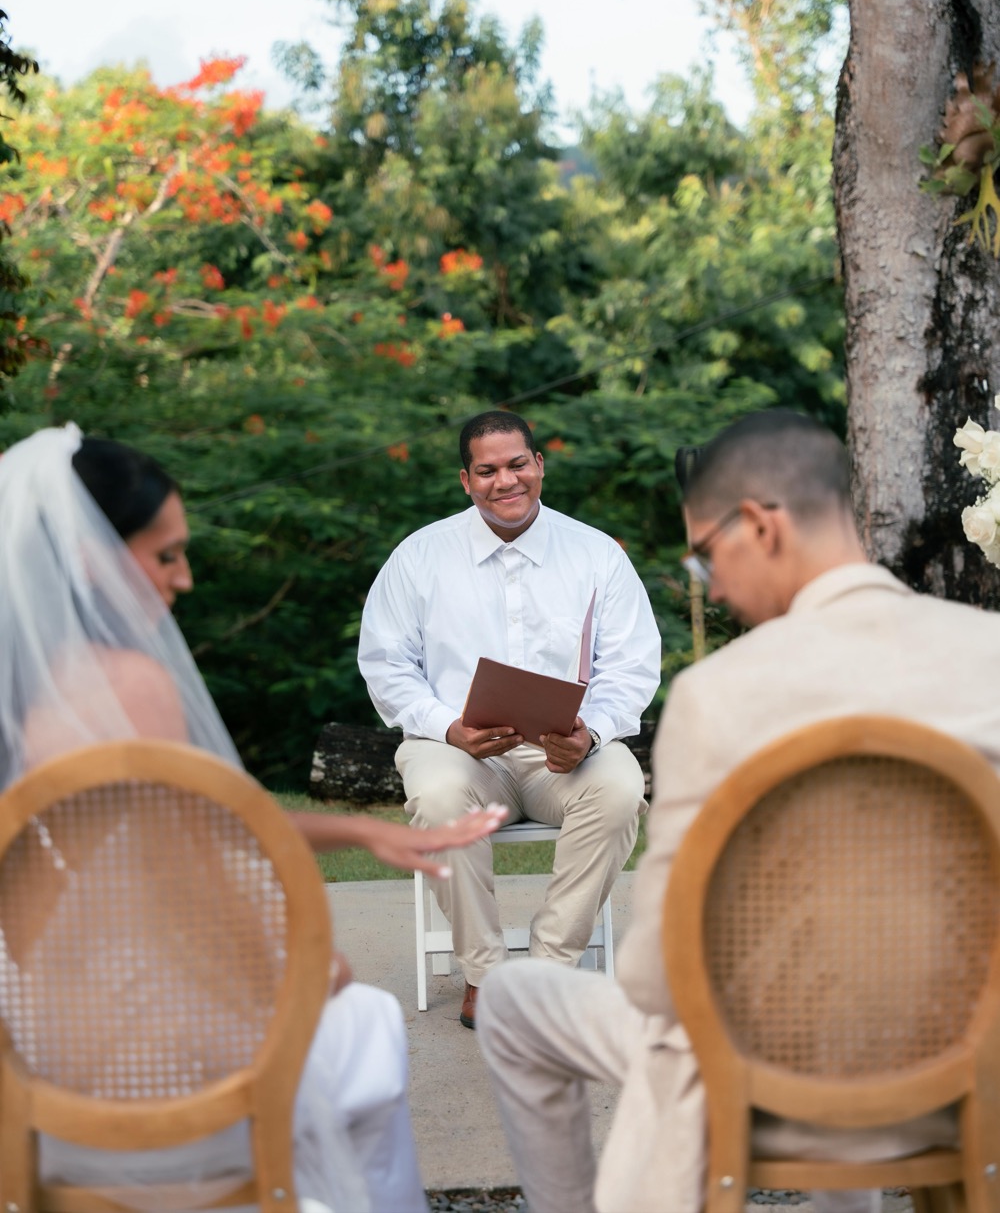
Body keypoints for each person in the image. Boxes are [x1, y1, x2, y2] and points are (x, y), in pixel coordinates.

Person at [476, 409, 999, 1213]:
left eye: (706, 555)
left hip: (768, 1078)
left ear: (759, 525)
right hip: (968, 1069)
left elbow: (657, 974)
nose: (710, 585)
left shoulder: (722, 698)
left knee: (515, 1000)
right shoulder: (987, 657)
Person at [0, 423, 507, 1213]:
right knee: (365, 1017)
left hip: (32, 1049)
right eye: (166, 555)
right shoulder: (129, 687)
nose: (187, 578)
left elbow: (192, 822)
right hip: (144, 1059)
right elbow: (193, 879)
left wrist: (363, 830)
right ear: (89, 557)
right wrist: (308, 970)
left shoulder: (24, 699)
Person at [358, 409, 661, 1028]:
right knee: (439, 796)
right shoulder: (419, 557)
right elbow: (387, 665)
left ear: (539, 465)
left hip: (563, 755)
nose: (506, 481)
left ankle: (550, 972)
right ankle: (486, 976)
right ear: (465, 481)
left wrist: (592, 732)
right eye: (487, 470)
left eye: (518, 464)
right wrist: (448, 726)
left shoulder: (596, 554)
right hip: (458, 749)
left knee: (622, 789)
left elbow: (631, 665)